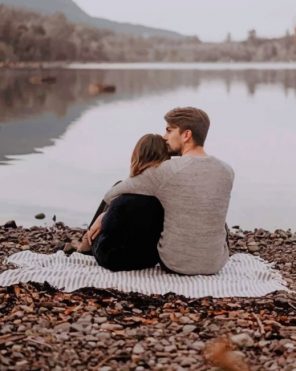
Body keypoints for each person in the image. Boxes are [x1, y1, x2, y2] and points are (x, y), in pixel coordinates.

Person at [88, 107, 235, 275]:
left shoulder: (166, 170)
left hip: (175, 263)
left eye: (169, 131)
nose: (165, 137)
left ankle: (86, 244)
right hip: (216, 263)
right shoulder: (227, 171)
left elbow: (113, 192)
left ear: (186, 135)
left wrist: (103, 216)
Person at [78, 133, 170, 271]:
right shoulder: (166, 193)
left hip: (113, 259)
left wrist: (104, 217)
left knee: (118, 190)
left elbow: (109, 223)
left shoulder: (123, 193)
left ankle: (87, 241)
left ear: (137, 155)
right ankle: (88, 238)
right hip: (148, 259)